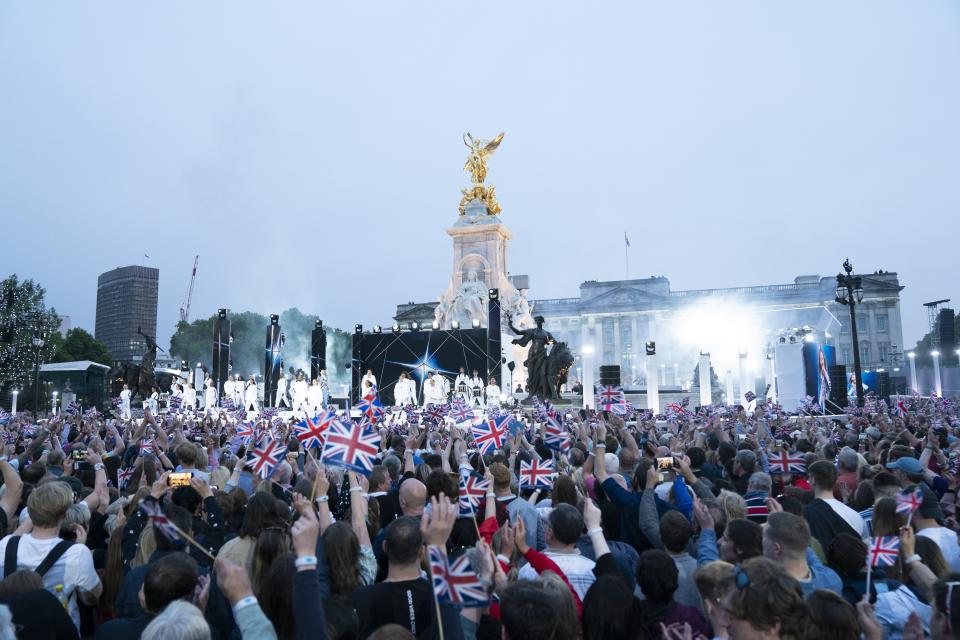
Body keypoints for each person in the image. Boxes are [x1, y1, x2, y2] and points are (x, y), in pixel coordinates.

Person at [0, 481, 102, 630]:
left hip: (10, 630)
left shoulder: (5, 545)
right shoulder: (77, 553)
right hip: (57, 631)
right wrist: (81, 548)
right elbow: (91, 597)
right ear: (65, 514)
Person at [762, 511, 843, 598]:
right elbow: (806, 551)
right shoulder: (831, 579)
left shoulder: (770, 593)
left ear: (776, 548)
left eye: (763, 537)